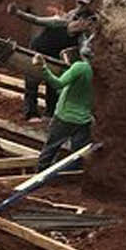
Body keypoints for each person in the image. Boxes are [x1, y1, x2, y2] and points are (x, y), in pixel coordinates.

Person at [9, 0, 97, 119]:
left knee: (53, 83)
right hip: (39, 49)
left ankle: (50, 112)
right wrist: (18, 13)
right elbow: (36, 20)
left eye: (85, 23)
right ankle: (31, 113)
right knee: (32, 81)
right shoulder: (60, 22)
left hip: (55, 56)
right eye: (79, 21)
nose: (80, 24)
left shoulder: (81, 38)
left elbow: (85, 51)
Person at [32, 38, 93, 174]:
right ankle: (72, 176)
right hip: (85, 119)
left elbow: (58, 84)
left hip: (65, 116)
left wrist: (43, 68)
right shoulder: (101, 71)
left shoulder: (80, 67)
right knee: (77, 153)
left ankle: (41, 175)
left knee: (50, 148)